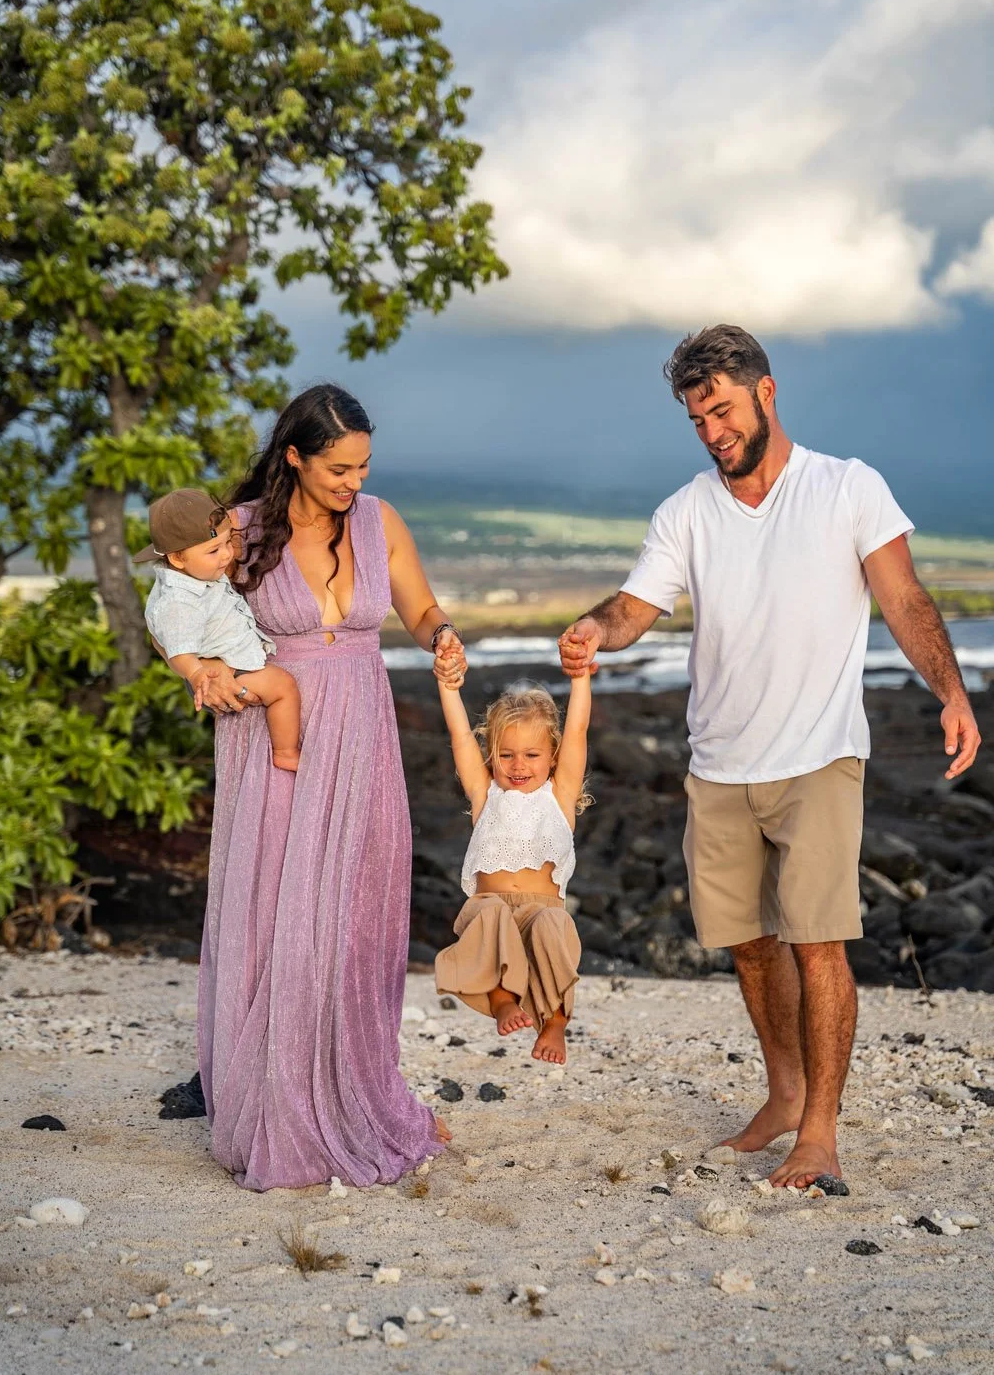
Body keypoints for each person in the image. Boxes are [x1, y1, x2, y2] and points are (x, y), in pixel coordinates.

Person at [559, 324, 981, 1190]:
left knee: (819, 945)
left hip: (820, 755)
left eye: (720, 408)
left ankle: (819, 1135)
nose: (712, 430)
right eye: (695, 418)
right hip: (718, 765)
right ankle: (784, 1094)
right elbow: (638, 606)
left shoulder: (847, 488)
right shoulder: (685, 512)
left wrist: (950, 691)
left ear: (766, 391)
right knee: (751, 946)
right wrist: (595, 629)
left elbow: (903, 599)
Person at [189, 383, 467, 1191]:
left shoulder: (380, 522)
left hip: (362, 733)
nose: (354, 482)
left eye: (364, 466)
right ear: (295, 458)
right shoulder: (237, 533)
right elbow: (185, 616)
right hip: (274, 740)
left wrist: (442, 636)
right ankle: (277, 1105)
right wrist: (205, 675)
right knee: (280, 913)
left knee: (355, 919)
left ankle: (361, 1095)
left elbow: (420, 609)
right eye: (339, 468)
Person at [434, 675, 590, 1065]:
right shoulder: (485, 794)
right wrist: (447, 685)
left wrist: (581, 678)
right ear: (491, 755)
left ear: (553, 756)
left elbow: (578, 730)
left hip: (543, 912)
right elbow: (458, 735)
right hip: (491, 914)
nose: (518, 765)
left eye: (532, 755)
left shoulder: (560, 796)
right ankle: (503, 1001)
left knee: (551, 927)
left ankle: (554, 1022)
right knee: (491, 912)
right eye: (506, 755)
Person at [136, 489, 302, 771]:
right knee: (284, 687)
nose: (226, 555)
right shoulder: (178, 601)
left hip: (232, 660)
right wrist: (197, 673)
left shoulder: (199, 573)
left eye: (228, 542)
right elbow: (177, 648)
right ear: (177, 558)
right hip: (226, 671)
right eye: (214, 550)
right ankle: (286, 751)